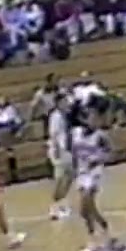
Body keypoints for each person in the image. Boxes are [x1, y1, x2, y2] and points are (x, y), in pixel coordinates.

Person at [72, 101, 118, 251]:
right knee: (87, 210)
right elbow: (73, 152)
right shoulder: (75, 133)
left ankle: (93, 242)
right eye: (91, 117)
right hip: (81, 171)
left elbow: (112, 153)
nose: (94, 121)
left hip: (95, 172)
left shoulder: (101, 136)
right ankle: (106, 231)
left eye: (96, 118)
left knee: (86, 204)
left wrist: (98, 159)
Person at [46, 92, 74, 220]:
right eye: (64, 101)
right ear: (58, 103)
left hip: (67, 149)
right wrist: (56, 150)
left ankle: (62, 201)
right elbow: (54, 135)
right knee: (59, 179)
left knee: (70, 176)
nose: (66, 103)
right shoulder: (55, 116)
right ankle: (54, 207)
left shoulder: (66, 115)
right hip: (59, 151)